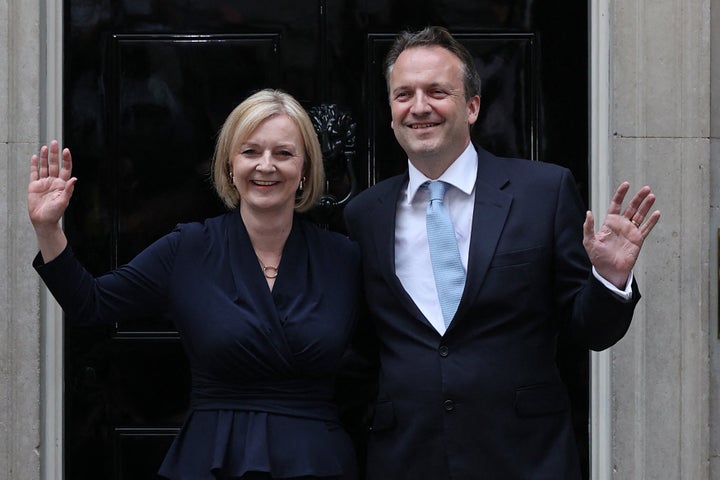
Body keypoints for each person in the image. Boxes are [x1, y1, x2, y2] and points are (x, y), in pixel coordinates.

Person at [343, 26, 661, 479]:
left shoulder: (543, 192)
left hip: (526, 458)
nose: (419, 107)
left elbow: (589, 331)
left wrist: (609, 281)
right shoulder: (364, 216)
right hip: (406, 457)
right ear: (391, 112)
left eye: (437, 91)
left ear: (472, 106)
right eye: (403, 94)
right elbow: (359, 348)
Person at [29, 89, 362, 480]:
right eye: (251, 152)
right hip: (213, 458)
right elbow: (92, 303)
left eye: (284, 153)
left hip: (315, 461)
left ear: (305, 168)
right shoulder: (187, 249)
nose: (266, 166)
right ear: (229, 165)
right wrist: (48, 228)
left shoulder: (344, 258)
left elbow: (386, 353)